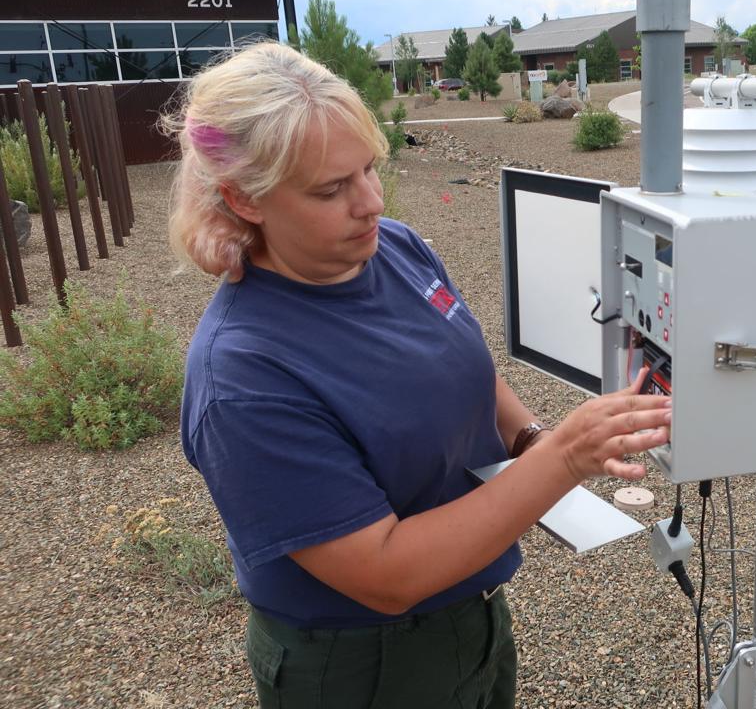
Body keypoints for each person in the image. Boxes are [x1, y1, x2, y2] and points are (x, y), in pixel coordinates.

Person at [165, 42, 671, 708]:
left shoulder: (394, 249)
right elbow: (387, 573)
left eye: (369, 169)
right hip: (364, 662)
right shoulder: (244, 375)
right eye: (331, 189)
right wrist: (568, 459)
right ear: (243, 198)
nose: (370, 202)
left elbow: (465, 367)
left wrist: (531, 441)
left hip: (474, 611)